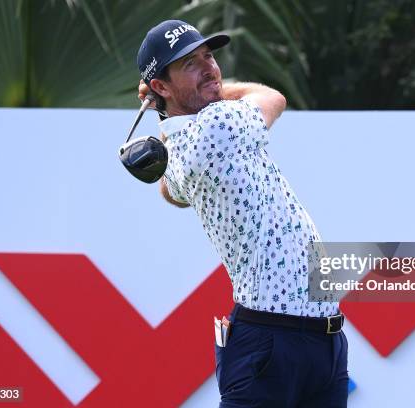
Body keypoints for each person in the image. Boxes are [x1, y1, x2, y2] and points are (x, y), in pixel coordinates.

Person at [136, 20, 348, 408]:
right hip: (271, 343)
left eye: (208, 56)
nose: (209, 69)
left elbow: (173, 191)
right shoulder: (218, 124)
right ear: (161, 86)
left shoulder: (180, 144)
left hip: (321, 341)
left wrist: (165, 116)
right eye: (189, 65)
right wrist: (218, 91)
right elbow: (273, 98)